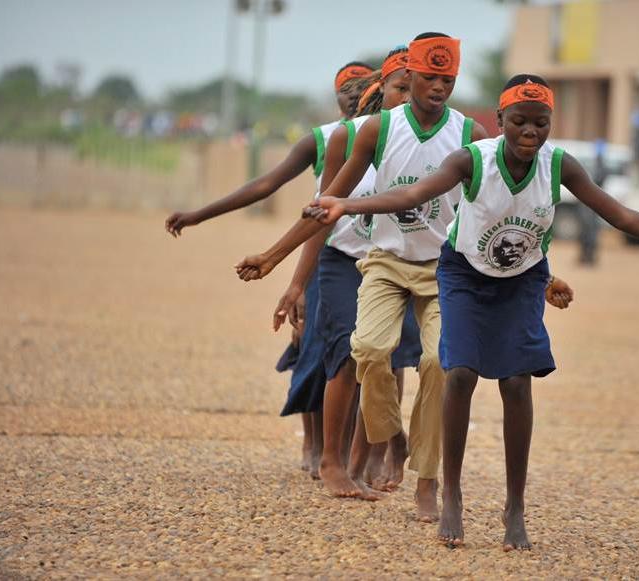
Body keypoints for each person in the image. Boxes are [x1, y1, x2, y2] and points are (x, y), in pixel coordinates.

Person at [306, 74, 639, 550]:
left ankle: (514, 506)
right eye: (520, 122)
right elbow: (412, 195)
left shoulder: (559, 165)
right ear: (501, 120)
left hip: (523, 279)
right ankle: (451, 494)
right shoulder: (472, 159)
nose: (530, 132)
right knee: (459, 372)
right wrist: (346, 204)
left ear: (551, 123)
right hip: (465, 275)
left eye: (541, 123)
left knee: (515, 382)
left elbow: (621, 216)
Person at [234, 33, 490, 522]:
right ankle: (391, 438)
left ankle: (427, 481)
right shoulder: (378, 129)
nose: (439, 87)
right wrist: (273, 257)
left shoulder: (471, 135)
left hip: (442, 269)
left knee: (438, 364)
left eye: (448, 79)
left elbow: (497, 210)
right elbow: (328, 204)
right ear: (409, 75)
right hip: (385, 263)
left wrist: (534, 276)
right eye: (429, 77)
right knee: (368, 351)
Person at [163, 60, 373, 478]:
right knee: (315, 349)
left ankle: (367, 450)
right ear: (338, 102)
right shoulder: (326, 139)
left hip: (378, 255)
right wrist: (200, 215)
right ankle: (315, 443)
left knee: (378, 357)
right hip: (326, 251)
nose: (354, 100)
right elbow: (265, 185)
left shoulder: (391, 136)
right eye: (347, 94)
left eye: (362, 92)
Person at [269, 47, 422, 500]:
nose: (409, 97)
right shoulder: (345, 137)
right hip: (341, 261)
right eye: (400, 88)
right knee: (342, 355)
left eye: (415, 88)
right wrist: (293, 278)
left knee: (389, 358)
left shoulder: (430, 143)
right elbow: (321, 213)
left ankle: (376, 450)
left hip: (394, 263)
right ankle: (329, 457)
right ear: (381, 89)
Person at [577, 139, 609, 265]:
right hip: (589, 204)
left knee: (591, 231)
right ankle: (586, 256)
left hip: (592, 204)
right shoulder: (594, 164)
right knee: (588, 230)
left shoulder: (600, 167)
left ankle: (588, 256)